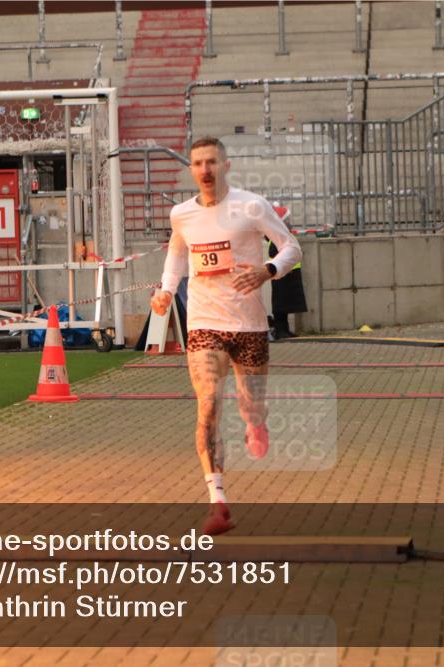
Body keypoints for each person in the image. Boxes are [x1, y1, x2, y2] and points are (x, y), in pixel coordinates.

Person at [151, 137, 302, 535]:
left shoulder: (251, 206)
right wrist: (166, 289)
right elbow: (178, 255)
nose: (205, 170)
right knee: (209, 404)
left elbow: (292, 247)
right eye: (198, 163)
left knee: (250, 406)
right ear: (191, 170)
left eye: (212, 162)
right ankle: (218, 503)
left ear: (226, 165)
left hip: (248, 324)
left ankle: (256, 422)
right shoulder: (181, 214)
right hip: (204, 322)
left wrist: (268, 270)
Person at [266, 207, 307, 340]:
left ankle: (285, 330)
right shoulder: (276, 238)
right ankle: (280, 330)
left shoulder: (283, 236)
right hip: (281, 277)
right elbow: (275, 253)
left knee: (286, 305)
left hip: (289, 275)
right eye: (287, 220)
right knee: (280, 306)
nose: (289, 222)